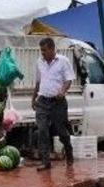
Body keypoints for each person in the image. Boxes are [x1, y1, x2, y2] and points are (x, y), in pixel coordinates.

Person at [32, 37, 76, 171]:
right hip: (43, 101)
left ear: (52, 49)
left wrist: (63, 91)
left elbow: (69, 79)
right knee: (42, 131)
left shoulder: (63, 61)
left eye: (44, 50)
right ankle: (46, 162)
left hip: (58, 102)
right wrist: (33, 98)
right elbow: (38, 82)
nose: (42, 53)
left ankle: (69, 151)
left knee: (62, 131)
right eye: (41, 50)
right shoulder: (39, 62)